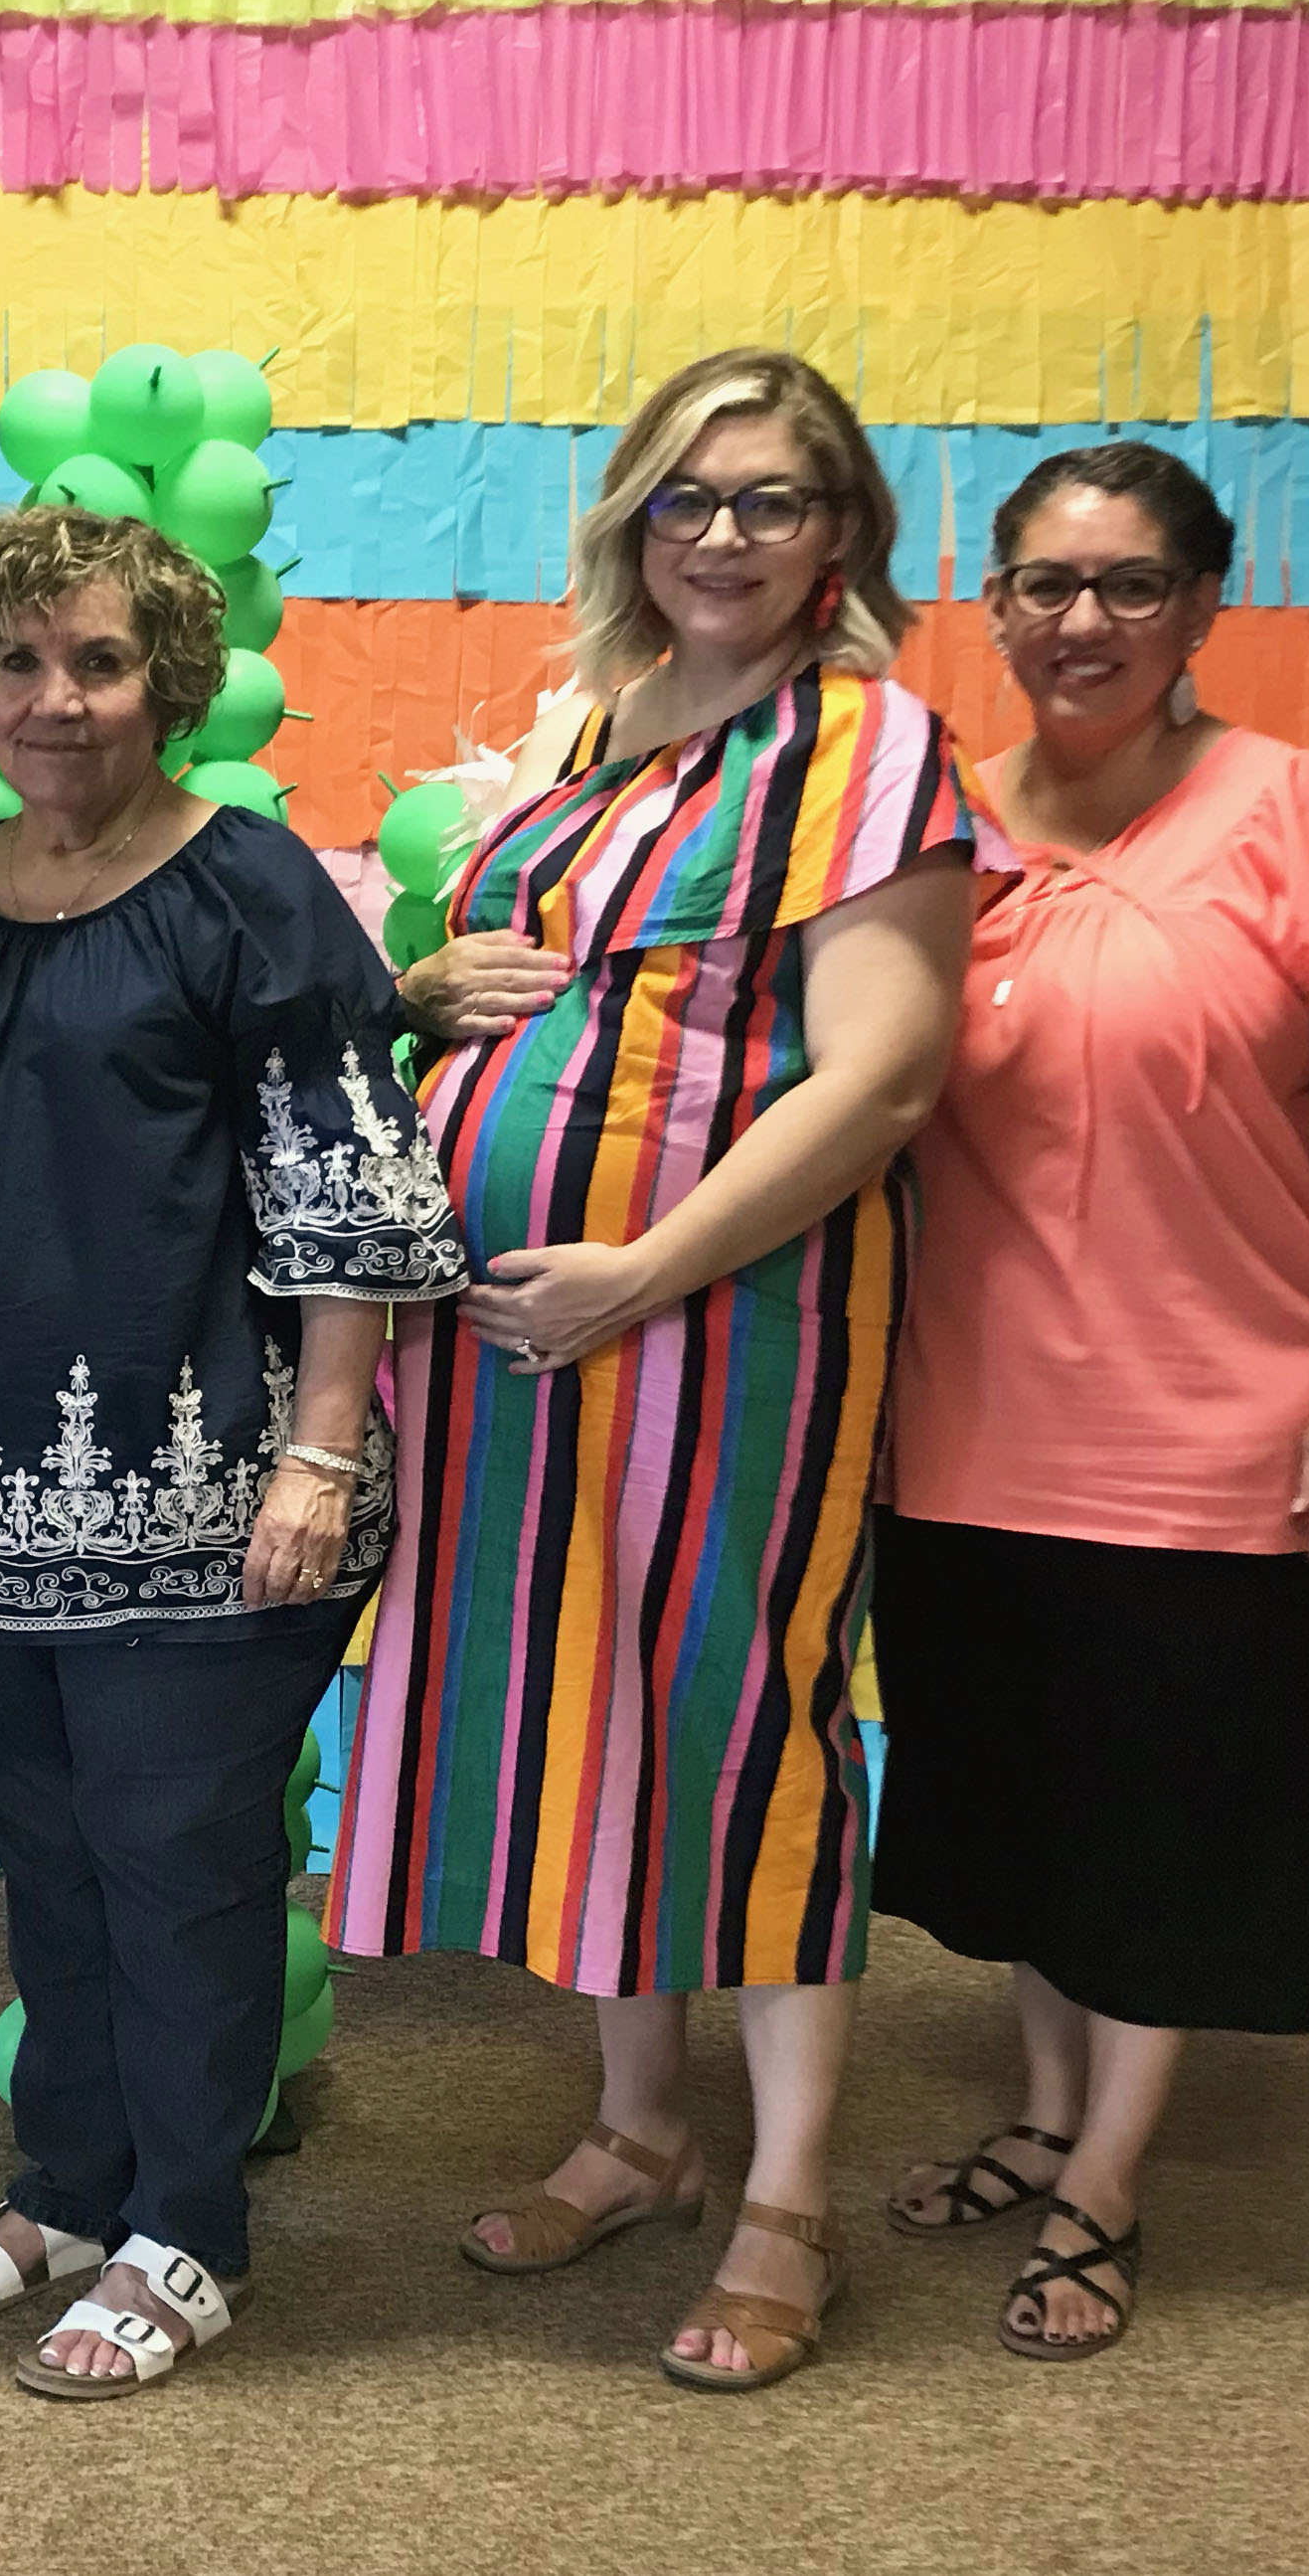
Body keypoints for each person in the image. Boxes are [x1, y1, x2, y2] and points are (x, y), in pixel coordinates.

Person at [326, 347, 1002, 2394]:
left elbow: (881, 1074)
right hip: (518, 1341)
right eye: (684, 497)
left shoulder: (867, 744)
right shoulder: (598, 723)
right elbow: (514, 974)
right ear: (631, 519)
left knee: (733, 1711)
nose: (719, 535)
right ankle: (638, 2127)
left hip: (723, 1321)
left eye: (769, 499)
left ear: (838, 534)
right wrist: (424, 988)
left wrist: (641, 1270)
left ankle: (786, 2194)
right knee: (589, 1709)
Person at [0, 506, 464, 2402]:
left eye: (97, 661)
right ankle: (73, 2188)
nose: (56, 698)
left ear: (165, 681)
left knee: (179, 1861)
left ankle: (189, 2228)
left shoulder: (246, 886)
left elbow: (348, 1198)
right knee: (51, 1860)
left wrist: (318, 1466)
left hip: (213, 1497)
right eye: (19, 661)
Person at [869, 441, 1309, 2359]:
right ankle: (1048, 2112)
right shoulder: (937, 829)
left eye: (1130, 584)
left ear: (1202, 606)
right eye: (1046, 583)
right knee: (1031, 1812)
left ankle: (1107, 2178)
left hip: (1217, 1435)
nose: (1084, 621)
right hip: (962, 1428)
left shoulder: (1305, 812)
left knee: (1167, 1829)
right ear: (995, 605)